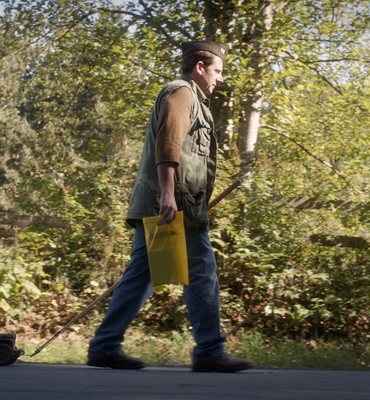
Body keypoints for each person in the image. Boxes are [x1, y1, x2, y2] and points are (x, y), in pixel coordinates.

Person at [87, 40, 252, 372]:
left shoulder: (193, 98)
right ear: (200, 67)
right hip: (173, 206)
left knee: (141, 275)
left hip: (171, 203)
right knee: (201, 271)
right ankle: (209, 350)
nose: (220, 79)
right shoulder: (182, 93)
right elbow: (169, 143)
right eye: (217, 71)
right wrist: (166, 195)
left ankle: (104, 346)